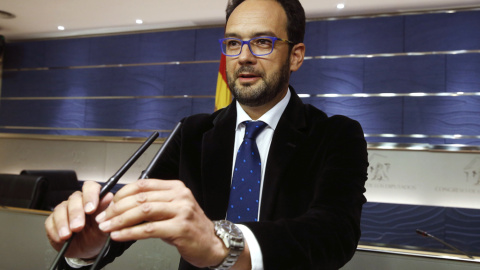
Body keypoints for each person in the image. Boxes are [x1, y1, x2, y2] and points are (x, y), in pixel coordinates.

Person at [45, 0, 368, 269]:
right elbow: (134, 216)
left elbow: (334, 232)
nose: (243, 56)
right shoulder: (192, 133)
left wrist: (225, 245)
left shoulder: (336, 135)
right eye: (232, 42)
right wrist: (91, 243)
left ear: (295, 55)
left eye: (262, 42)